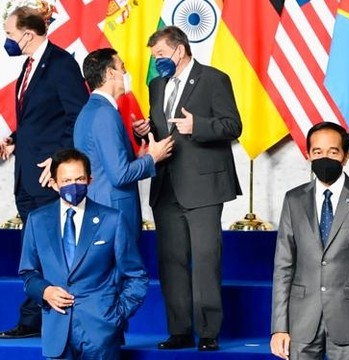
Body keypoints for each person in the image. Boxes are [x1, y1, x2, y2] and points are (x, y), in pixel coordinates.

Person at [133, 25, 242, 351]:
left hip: (204, 188)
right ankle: (179, 331)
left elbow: (233, 125)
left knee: (206, 260)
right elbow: (163, 127)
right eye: (155, 57)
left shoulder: (214, 79)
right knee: (171, 261)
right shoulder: (156, 85)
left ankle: (208, 333)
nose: (158, 62)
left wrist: (200, 126)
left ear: (179, 50)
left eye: (161, 55)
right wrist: (146, 129)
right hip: (165, 186)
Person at [0, 5, 89, 339]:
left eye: (8, 33)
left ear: (27, 33)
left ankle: (38, 319)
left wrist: (57, 160)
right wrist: (13, 139)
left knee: (46, 248)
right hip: (25, 174)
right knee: (32, 247)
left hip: (46, 177)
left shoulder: (62, 64)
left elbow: (76, 116)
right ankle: (34, 317)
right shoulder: (28, 65)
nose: (6, 39)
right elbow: (37, 120)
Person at [271, 122, 349, 360]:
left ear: (345, 157)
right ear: (308, 155)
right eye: (317, 152)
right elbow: (283, 266)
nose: (324, 157)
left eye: (332, 152)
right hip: (302, 321)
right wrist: (279, 327)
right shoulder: (293, 200)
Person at [18, 148, 148, 359]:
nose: (74, 185)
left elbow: (136, 275)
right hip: (56, 332)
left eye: (79, 178)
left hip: (101, 333)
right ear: (54, 183)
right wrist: (45, 292)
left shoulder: (112, 220)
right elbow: (28, 273)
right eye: (67, 180)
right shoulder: (37, 220)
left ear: (90, 179)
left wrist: (116, 315)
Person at [74, 48, 174, 239]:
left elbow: (105, 164)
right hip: (113, 211)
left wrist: (138, 158)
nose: (126, 73)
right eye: (122, 67)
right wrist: (154, 157)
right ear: (110, 73)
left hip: (101, 208)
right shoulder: (105, 113)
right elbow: (120, 175)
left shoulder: (92, 110)